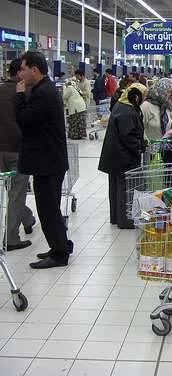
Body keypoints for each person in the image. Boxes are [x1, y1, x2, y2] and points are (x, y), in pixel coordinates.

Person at [14, 51, 73, 269]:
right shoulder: (46, 89)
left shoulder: (42, 93)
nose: (21, 73)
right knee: (51, 208)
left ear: (35, 70)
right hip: (50, 160)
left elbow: (24, 121)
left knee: (47, 209)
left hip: (47, 162)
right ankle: (61, 245)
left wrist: (20, 96)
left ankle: (59, 254)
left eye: (23, 69)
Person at [98, 83, 148, 229]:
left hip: (113, 155)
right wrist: (141, 146)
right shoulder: (128, 111)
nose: (144, 99)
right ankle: (125, 220)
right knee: (125, 188)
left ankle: (115, 217)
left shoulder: (120, 105)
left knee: (115, 187)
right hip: (123, 157)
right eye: (143, 96)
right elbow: (128, 136)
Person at [0, 58, 35, 252]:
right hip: (18, 150)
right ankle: (11, 239)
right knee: (16, 194)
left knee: (12, 193)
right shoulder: (26, 93)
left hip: (0, 150)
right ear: (20, 73)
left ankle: (28, 218)